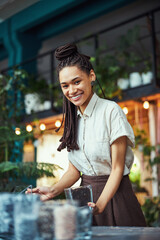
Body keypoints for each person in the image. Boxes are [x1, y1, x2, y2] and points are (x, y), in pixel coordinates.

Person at [26, 43, 146, 226]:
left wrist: (100, 204)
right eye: (65, 85)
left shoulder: (111, 111)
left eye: (76, 82)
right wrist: (53, 190)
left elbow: (117, 169)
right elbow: (74, 171)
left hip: (116, 197)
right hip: (86, 201)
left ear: (91, 76)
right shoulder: (73, 121)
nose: (71, 90)